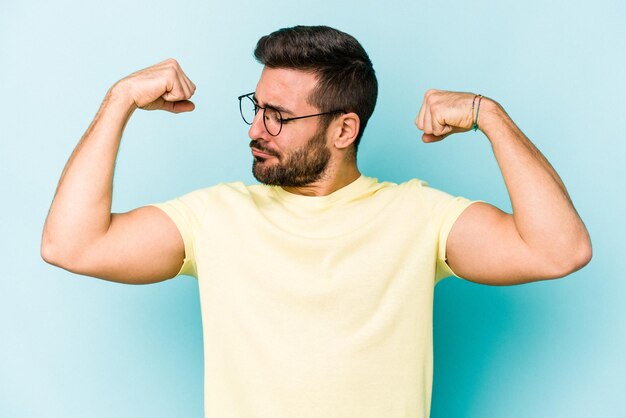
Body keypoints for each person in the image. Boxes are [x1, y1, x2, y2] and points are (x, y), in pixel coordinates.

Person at [41, 25, 591, 418]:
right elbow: (72, 245)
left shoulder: (418, 215)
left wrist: (488, 117)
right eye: (255, 108)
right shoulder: (214, 217)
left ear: (344, 130)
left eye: (278, 116)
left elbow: (558, 251)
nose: (256, 129)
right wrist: (119, 101)